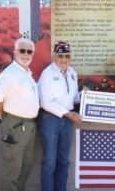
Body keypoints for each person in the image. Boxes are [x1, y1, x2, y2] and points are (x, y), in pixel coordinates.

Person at [0, 38, 39, 191]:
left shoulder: (26, 73)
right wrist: (1, 112)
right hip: (16, 125)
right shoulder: (10, 73)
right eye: (22, 51)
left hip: (29, 125)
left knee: (25, 166)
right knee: (12, 169)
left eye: (29, 51)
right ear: (15, 52)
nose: (25, 54)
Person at [37, 41, 83, 191]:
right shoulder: (47, 73)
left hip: (67, 121)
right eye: (60, 55)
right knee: (50, 162)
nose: (64, 59)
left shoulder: (72, 73)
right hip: (50, 119)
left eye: (67, 56)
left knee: (64, 161)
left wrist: (84, 96)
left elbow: (74, 98)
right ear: (54, 56)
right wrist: (68, 114)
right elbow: (45, 102)